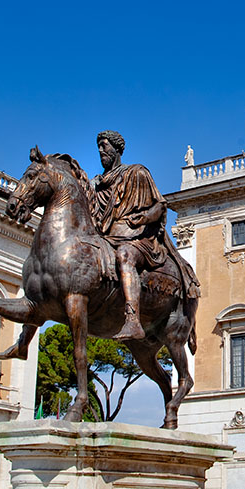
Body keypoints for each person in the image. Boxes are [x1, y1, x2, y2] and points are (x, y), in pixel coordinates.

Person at [91, 130, 199, 340]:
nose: (101, 151)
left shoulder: (137, 173)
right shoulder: (97, 183)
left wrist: (144, 218)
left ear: (117, 148)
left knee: (125, 255)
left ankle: (132, 320)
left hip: (138, 238)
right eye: (99, 147)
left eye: (104, 146)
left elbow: (159, 205)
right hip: (107, 237)